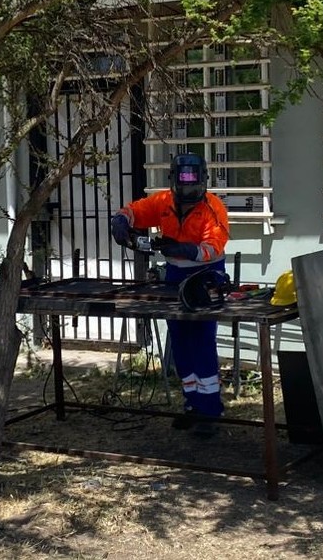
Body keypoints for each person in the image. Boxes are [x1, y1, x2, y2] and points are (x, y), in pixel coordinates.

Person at [110, 153, 230, 436]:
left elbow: (212, 247)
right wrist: (120, 220)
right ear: (173, 179)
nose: (188, 186)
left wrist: (185, 249)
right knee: (179, 341)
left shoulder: (214, 208)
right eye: (183, 179)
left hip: (205, 276)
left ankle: (211, 411)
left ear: (203, 180)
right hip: (174, 277)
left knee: (201, 341)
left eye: (193, 179)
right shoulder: (163, 202)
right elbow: (135, 210)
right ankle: (192, 404)